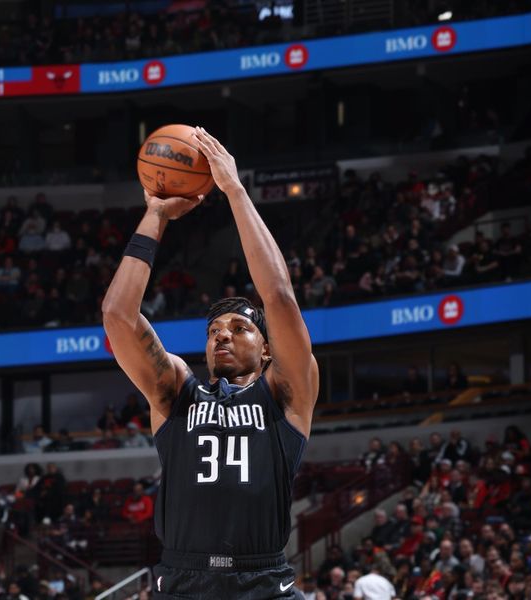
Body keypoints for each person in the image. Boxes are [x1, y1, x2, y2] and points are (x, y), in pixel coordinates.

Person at [102, 127, 318, 599]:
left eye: (240, 328)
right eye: (214, 330)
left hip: (263, 581)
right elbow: (117, 317)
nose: (223, 333)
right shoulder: (178, 390)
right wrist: (155, 216)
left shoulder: (284, 394)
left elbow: (279, 297)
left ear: (266, 349)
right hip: (181, 579)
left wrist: (234, 190)